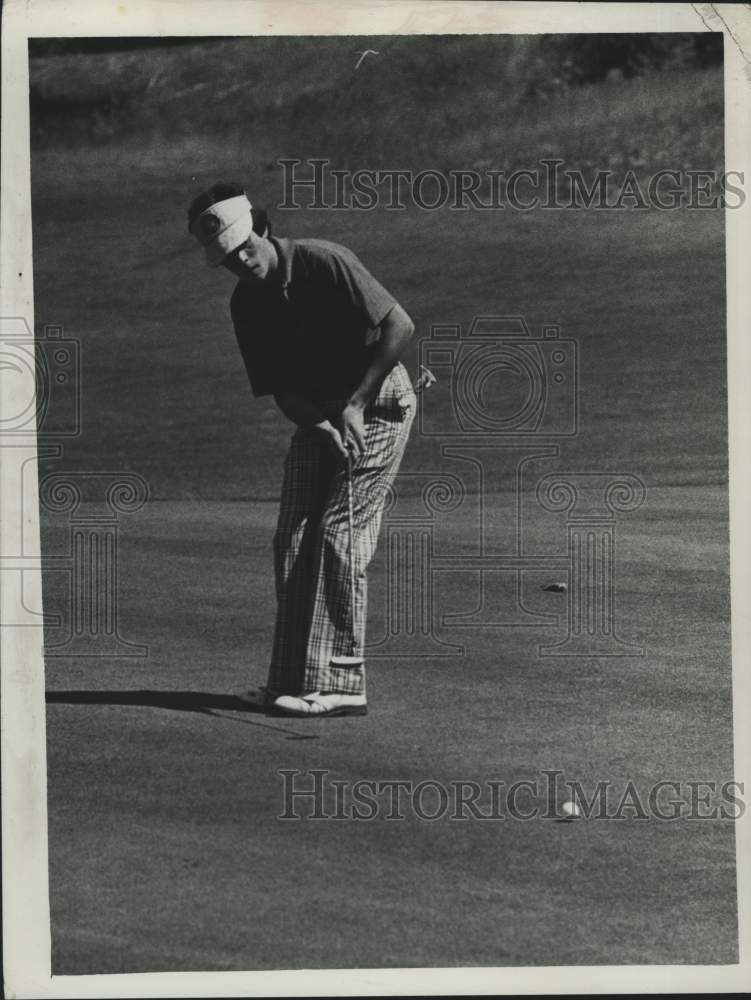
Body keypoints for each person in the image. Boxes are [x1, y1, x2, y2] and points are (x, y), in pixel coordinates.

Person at [187, 181, 416, 717]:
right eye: (228, 257)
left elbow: (398, 325)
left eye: (246, 245)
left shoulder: (323, 260)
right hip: (321, 416)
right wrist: (322, 426)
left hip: (380, 404)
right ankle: (291, 678)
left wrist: (356, 404)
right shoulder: (246, 303)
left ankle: (342, 681)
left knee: (339, 532)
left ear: (263, 229)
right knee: (291, 537)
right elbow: (283, 390)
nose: (242, 260)